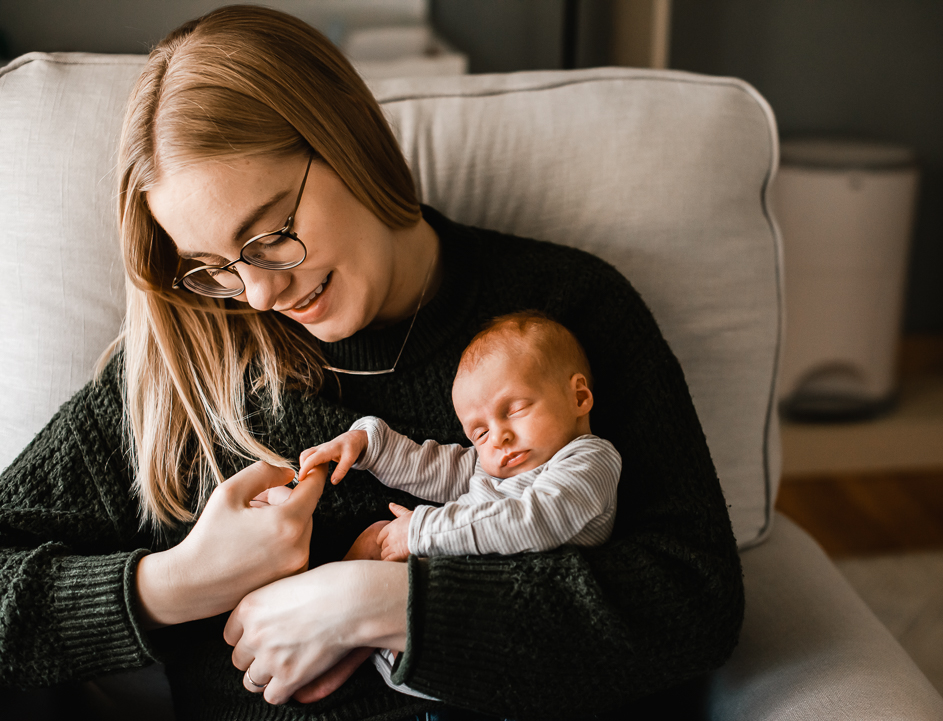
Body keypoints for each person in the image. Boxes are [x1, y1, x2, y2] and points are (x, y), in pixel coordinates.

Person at [0, 5, 744, 721]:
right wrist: (175, 582)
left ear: (345, 137)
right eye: (214, 266)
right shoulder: (182, 369)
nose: (257, 293)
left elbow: (694, 601)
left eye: (270, 235)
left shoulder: (566, 310)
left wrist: (379, 603)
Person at [294, 312, 622, 699]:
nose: (498, 437)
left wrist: (421, 531)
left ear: (578, 397)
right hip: (416, 612)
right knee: (376, 539)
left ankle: (347, 645)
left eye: (514, 409)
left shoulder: (589, 460)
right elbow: (431, 466)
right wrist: (368, 444)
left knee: (392, 550)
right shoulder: (492, 466)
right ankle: (337, 650)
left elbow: (537, 520)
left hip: (484, 627)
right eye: (479, 432)